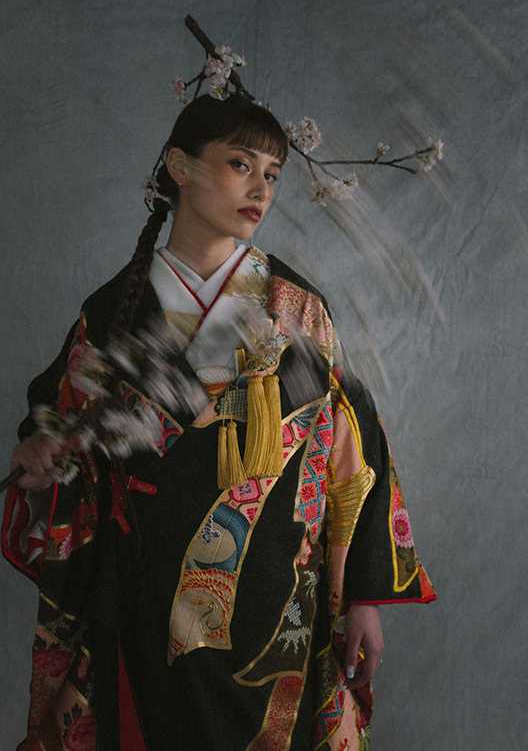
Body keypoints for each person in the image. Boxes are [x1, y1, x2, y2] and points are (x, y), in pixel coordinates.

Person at [2, 94, 436, 751]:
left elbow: (352, 452)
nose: (261, 188)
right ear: (180, 166)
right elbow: (67, 438)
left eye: (272, 173)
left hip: (278, 607)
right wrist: (43, 461)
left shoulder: (295, 312)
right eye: (240, 164)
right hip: (147, 599)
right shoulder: (115, 313)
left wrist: (363, 599)